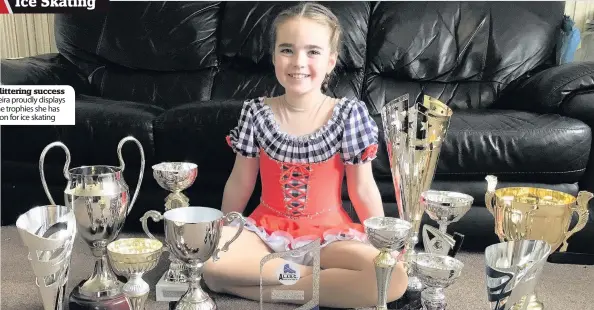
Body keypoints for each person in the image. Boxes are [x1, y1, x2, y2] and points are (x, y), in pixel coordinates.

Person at [202, 2, 408, 308]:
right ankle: (311, 280)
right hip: (264, 233)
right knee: (209, 260)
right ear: (273, 57)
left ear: (331, 60)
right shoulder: (255, 112)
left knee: (392, 277)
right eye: (287, 50)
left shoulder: (349, 114)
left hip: (329, 235)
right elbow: (241, 181)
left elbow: (362, 188)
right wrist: (226, 228)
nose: (298, 61)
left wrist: (382, 242)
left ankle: (259, 284)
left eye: (313, 51)